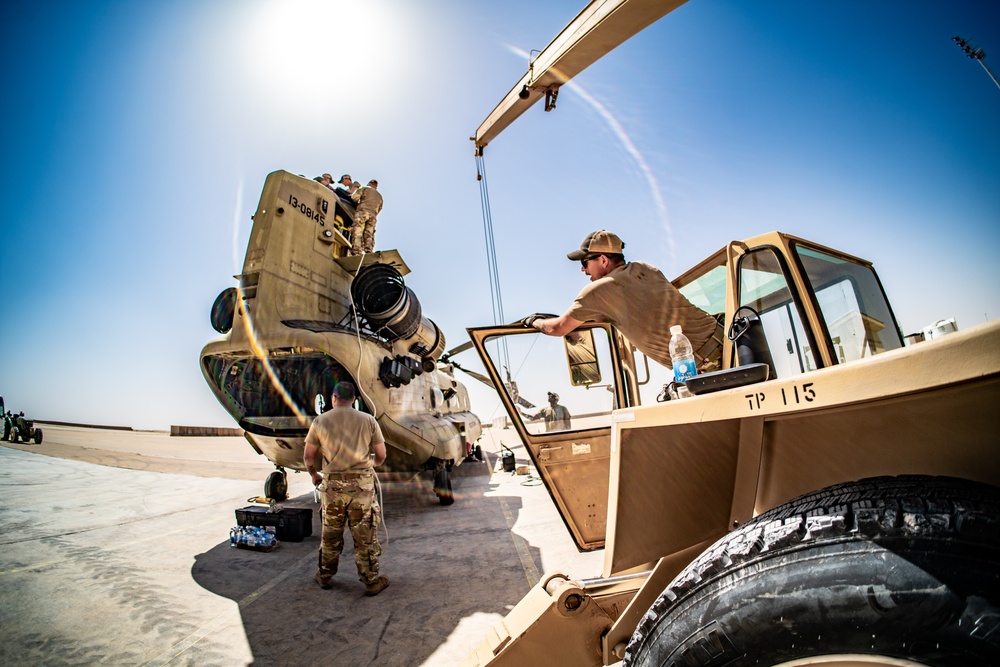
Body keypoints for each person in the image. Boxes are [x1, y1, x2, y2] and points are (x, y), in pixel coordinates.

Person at [523, 230, 722, 372]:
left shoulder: (598, 291)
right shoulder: (645, 268)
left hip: (704, 365)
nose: (583, 270)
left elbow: (558, 328)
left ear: (603, 260)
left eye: (585, 263)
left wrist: (534, 321)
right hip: (728, 340)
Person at [303, 381, 390, 596]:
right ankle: (371, 581)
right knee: (364, 536)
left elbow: (308, 457)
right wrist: (370, 464)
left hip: (332, 489)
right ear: (354, 400)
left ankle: (325, 576)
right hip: (361, 489)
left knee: (330, 535)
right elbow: (381, 456)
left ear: (333, 397)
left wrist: (315, 474)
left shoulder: (320, 422)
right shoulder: (368, 420)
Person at [349, 180, 383, 256]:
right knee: (369, 234)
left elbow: (354, 198)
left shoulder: (365, 188)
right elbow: (379, 208)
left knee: (358, 230)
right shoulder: (380, 197)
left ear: (369, 183)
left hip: (363, 212)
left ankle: (357, 250)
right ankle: (368, 250)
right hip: (373, 216)